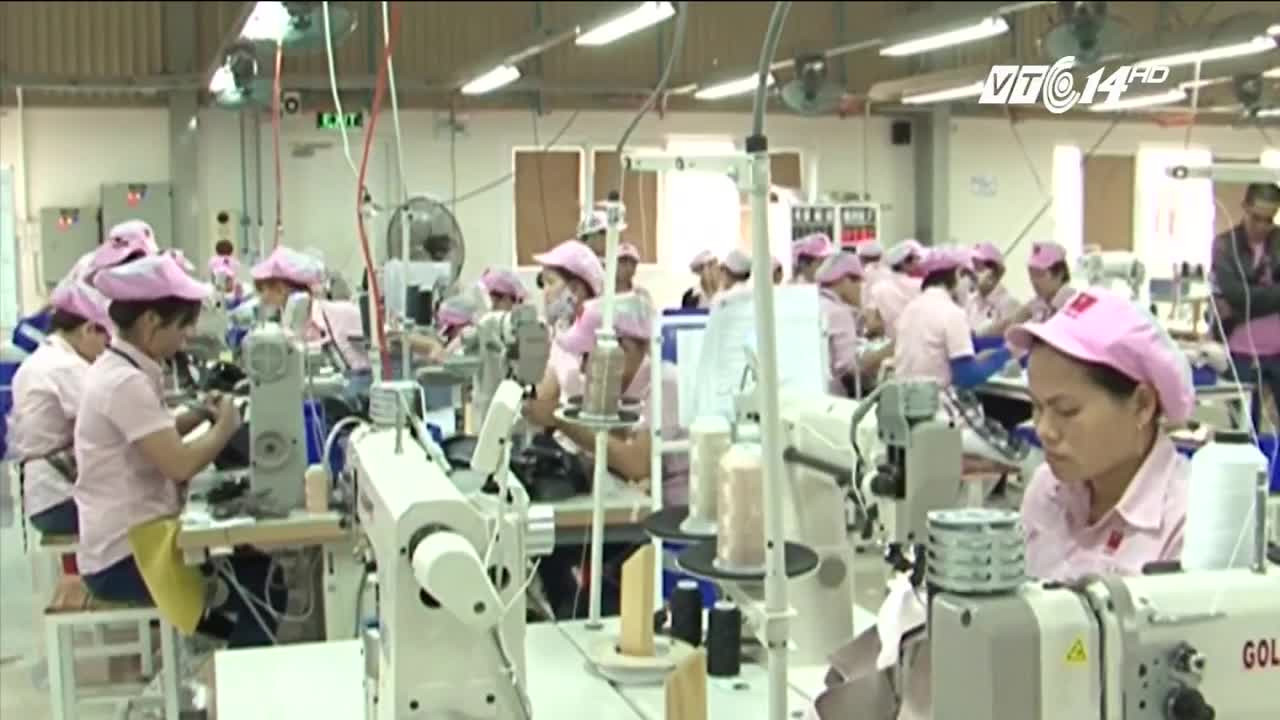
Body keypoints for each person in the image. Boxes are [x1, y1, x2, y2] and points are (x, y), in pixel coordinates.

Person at [808, 292, 1194, 720]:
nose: (1044, 430)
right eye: (1037, 407)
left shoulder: (1187, 524)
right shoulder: (1048, 490)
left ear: (1142, 405)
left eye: (1066, 411)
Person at [76, 254, 285, 648]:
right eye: (182, 325)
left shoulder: (123, 368)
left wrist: (200, 414)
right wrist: (225, 427)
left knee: (254, 569)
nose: (187, 336)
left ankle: (233, 653)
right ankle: (234, 670)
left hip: (133, 536)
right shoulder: (123, 383)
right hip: (126, 556)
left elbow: (152, 435)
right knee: (261, 587)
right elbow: (179, 464)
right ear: (151, 321)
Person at [526, 294, 684, 618]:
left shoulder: (663, 382)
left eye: (588, 356)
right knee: (545, 551)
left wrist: (560, 420)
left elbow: (635, 462)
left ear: (624, 348)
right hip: (636, 508)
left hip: (669, 520)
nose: (584, 367)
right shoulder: (619, 385)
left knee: (561, 556)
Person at [8, 279, 110, 536]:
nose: (104, 351)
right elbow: (113, 425)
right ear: (88, 329)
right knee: (154, 508)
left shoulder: (40, 360)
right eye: (105, 341)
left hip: (44, 500)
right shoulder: (67, 367)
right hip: (62, 501)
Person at [1209, 182, 1280, 432]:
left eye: (1268, 220)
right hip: (1240, 352)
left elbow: (1240, 300)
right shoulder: (1224, 245)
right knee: (1242, 432)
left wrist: (1243, 303)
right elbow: (1235, 294)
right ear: (1245, 208)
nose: (1262, 227)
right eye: (1256, 218)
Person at [523, 240, 606, 426]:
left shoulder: (602, 337)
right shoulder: (562, 333)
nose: (545, 293)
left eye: (550, 283)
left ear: (575, 290)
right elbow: (543, 395)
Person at [252, 246, 370, 372]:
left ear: (280, 289)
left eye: (262, 290)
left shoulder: (344, 313)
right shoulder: (287, 324)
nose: (261, 298)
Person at [864, 239, 923, 340]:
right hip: (918, 338)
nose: (919, 262)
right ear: (906, 263)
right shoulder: (920, 285)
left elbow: (872, 321)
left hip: (890, 340)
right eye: (916, 259)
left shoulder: (878, 287)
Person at [966, 242, 1022, 336]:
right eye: (971, 268)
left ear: (994, 272)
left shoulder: (1010, 304)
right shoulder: (970, 301)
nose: (972, 274)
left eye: (977, 267)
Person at [1024, 241, 1076, 322]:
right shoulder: (1039, 303)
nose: (1033, 281)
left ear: (1060, 273)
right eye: (1031, 274)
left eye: (1039, 274)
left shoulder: (1073, 302)